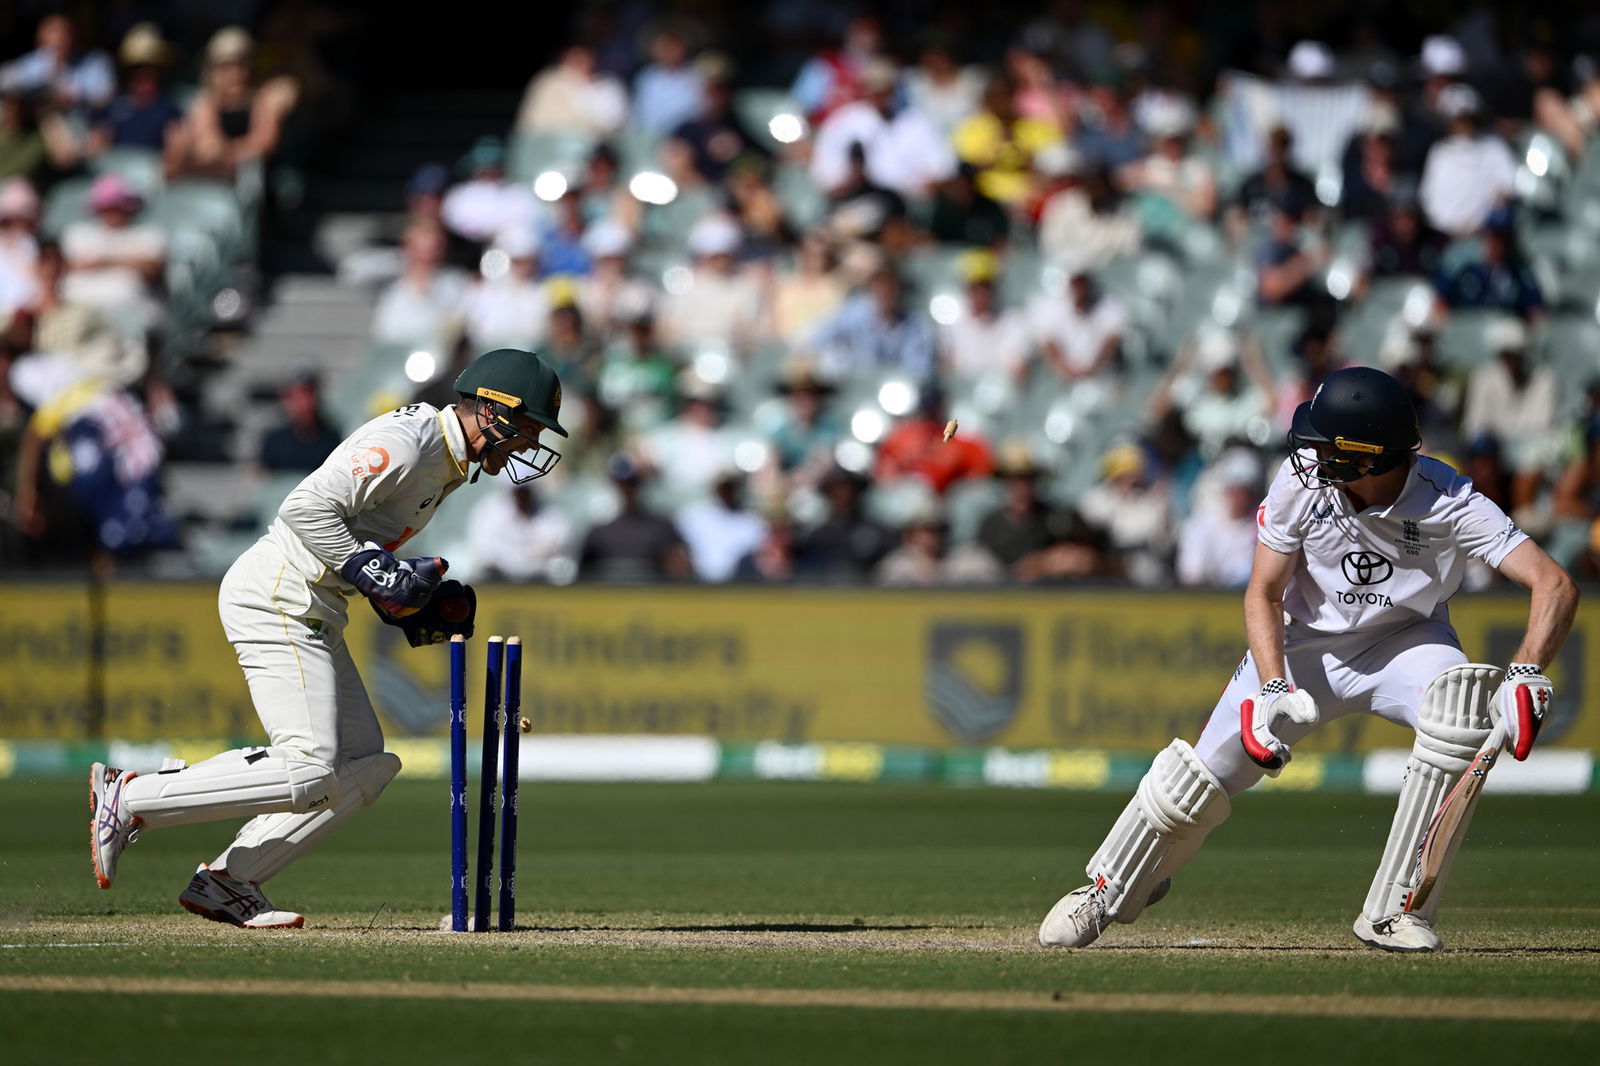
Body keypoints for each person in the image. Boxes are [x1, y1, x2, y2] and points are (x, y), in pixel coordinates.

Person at [1038, 366, 1579, 953]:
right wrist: (1272, 688)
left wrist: (1526, 668)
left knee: (1458, 716)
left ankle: (1394, 911)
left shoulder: (1448, 498)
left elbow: (1554, 583)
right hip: (1302, 646)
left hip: (1407, 639)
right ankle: (1110, 886)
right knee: (1191, 786)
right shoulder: (1301, 482)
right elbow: (1263, 594)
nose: (1309, 451)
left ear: (1367, 457)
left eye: (1326, 442)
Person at [88, 347, 570, 927]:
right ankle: (132, 796)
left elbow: (359, 545)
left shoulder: (447, 465)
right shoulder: (411, 440)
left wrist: (403, 597)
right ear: (495, 411)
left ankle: (229, 880)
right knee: (310, 766)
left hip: (315, 603)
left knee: (366, 763)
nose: (527, 445)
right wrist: (370, 569)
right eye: (528, 429)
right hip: (277, 592)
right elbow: (305, 508)